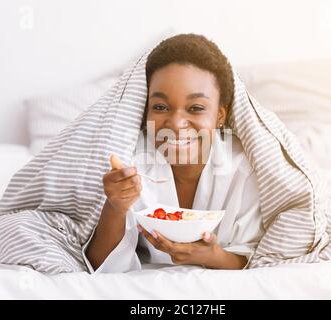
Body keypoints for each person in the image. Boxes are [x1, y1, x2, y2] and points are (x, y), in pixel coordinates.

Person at [84, 34, 265, 273]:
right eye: (160, 107)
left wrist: (214, 256)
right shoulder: (128, 161)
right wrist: (115, 208)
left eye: (196, 108)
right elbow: (100, 265)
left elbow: (256, 260)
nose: (177, 124)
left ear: (220, 115)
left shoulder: (246, 169)